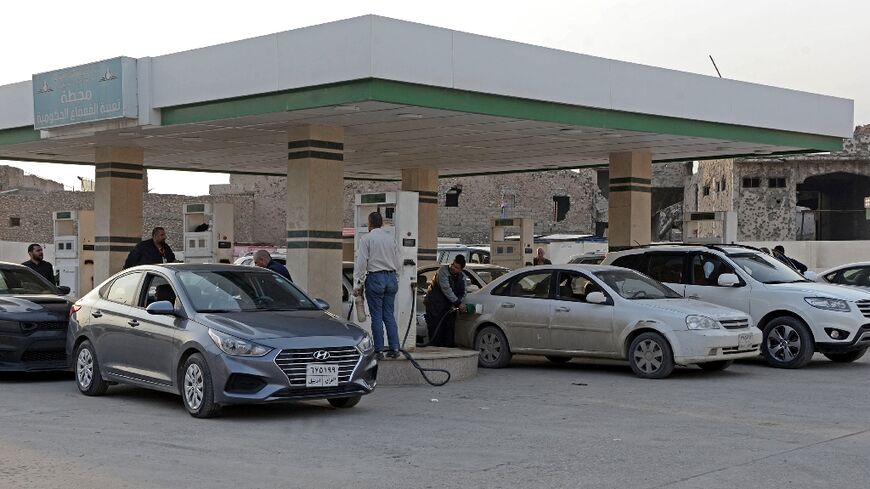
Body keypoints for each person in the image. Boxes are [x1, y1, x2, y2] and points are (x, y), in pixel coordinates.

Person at [354, 212, 403, 359]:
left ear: (370, 223)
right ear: (381, 223)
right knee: (389, 314)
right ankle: (395, 348)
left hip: (375, 278)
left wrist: (358, 282)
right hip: (391, 278)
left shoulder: (366, 239)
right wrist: (396, 277)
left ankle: (379, 350)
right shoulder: (390, 239)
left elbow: (362, 262)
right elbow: (398, 260)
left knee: (376, 316)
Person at [424, 255, 467, 347]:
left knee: (449, 331)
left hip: (448, 307)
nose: (453, 268)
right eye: (453, 265)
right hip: (434, 306)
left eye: (456, 267)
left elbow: (463, 292)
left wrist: (457, 303)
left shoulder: (462, 277)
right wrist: (458, 303)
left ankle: (448, 349)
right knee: (436, 331)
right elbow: (446, 289)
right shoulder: (443, 272)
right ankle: (434, 350)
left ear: (461, 269)